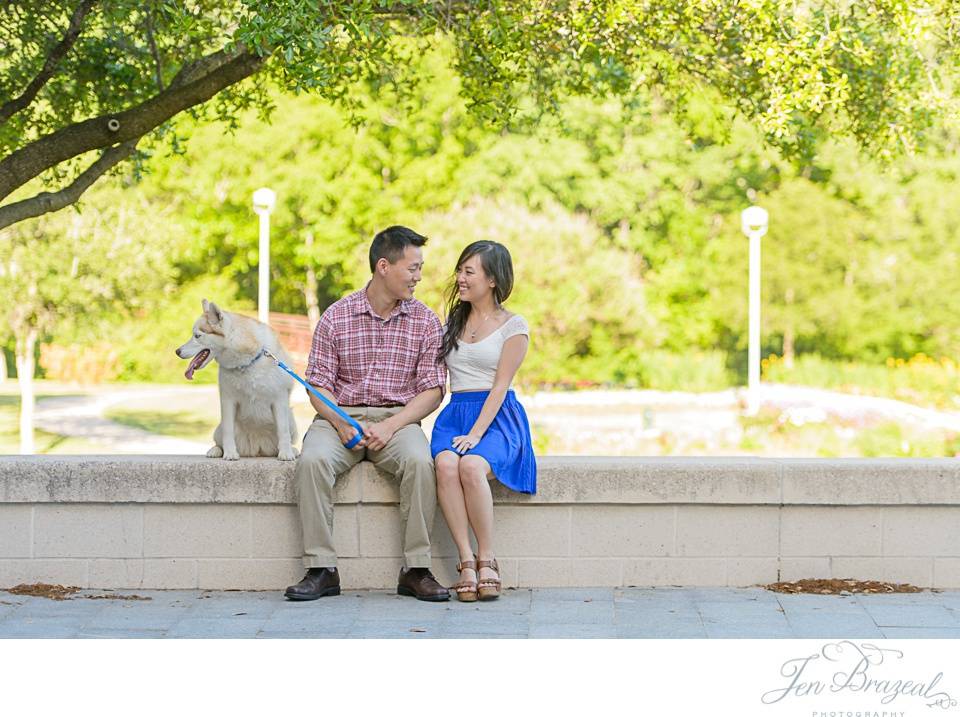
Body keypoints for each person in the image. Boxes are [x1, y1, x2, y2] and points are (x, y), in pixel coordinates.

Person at [285, 226, 450, 602]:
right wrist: (342, 423)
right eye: (412, 268)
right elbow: (318, 385)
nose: (418, 277)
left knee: (420, 463)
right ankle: (321, 569)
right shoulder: (337, 316)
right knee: (312, 461)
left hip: (398, 417)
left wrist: (392, 425)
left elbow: (433, 390)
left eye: (420, 269)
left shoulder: (425, 321)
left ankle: (416, 569)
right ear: (383, 266)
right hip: (339, 416)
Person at [430, 241, 536, 602]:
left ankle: (487, 557)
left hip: (496, 416)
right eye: (460, 270)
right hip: (455, 414)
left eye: (469, 271)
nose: (460, 277)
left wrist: (476, 435)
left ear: (492, 279)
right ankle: (465, 560)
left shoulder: (514, 326)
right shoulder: (452, 322)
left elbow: (500, 386)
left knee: (471, 467)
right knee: (446, 465)